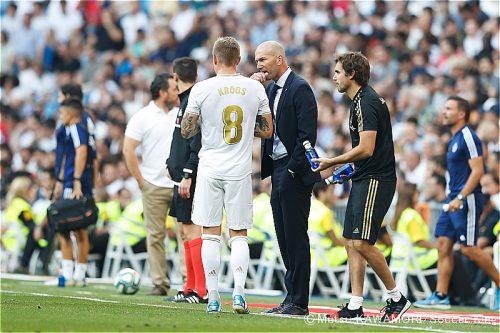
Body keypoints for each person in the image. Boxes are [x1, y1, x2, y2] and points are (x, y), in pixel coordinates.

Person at [312, 52, 411, 322]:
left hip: (376, 180)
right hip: (364, 177)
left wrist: (332, 161)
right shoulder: (360, 101)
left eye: (338, 72)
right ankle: (355, 305)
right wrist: (341, 173)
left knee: (361, 242)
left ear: (351, 74)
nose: (334, 77)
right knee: (351, 243)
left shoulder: (365, 102)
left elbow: (366, 149)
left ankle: (396, 297)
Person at [181, 36, 272, 314]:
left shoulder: (202, 89)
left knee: (210, 234)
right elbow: (267, 130)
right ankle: (241, 294)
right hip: (239, 169)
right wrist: (245, 132)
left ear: (214, 59)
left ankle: (213, 297)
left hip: (209, 168)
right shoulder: (254, 88)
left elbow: (187, 130)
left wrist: (206, 126)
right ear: (239, 59)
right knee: (239, 234)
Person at [251, 40, 321, 316]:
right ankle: (290, 296)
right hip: (278, 168)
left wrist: (292, 169)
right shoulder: (269, 90)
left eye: (263, 59)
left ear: (279, 59)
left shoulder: (300, 88)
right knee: (282, 236)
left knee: (294, 236)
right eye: (257, 60)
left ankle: (299, 301)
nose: (259, 65)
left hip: (293, 170)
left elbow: (307, 137)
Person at [414, 96, 499, 309]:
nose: (443, 112)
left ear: (461, 114)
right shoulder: (454, 138)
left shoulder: (469, 137)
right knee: (443, 245)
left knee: (469, 248)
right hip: (452, 200)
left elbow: (478, 171)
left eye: (448, 108)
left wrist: (461, 197)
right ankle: (441, 296)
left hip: (466, 200)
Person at [123, 73, 178, 296]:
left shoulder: (181, 113)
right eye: (174, 88)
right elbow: (128, 149)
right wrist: (141, 181)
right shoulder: (142, 117)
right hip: (153, 185)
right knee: (155, 235)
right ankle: (160, 282)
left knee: (185, 233)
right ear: (162, 93)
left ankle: (189, 283)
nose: (178, 92)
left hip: (178, 183)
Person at [165, 57, 206, 304]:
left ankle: (199, 290)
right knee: (183, 231)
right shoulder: (186, 101)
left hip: (188, 179)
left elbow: (196, 142)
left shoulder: (193, 101)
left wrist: (188, 173)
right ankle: (189, 286)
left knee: (192, 230)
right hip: (180, 178)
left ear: (175, 77)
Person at [54, 98, 94, 286]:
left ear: (70, 114)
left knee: (77, 228)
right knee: (64, 227)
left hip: (76, 184)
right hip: (69, 182)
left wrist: (76, 181)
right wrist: (60, 182)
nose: (60, 116)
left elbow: (82, 152)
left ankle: (79, 274)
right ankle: (69, 272)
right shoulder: (70, 130)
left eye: (62, 113)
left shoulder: (77, 128)